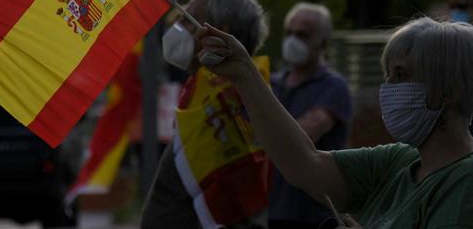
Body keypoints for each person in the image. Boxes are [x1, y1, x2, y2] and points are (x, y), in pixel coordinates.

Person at [197, 16, 473, 228]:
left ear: (448, 91)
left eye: (401, 75)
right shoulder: (400, 161)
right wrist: (244, 72)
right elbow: (306, 164)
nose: (388, 88)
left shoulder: (464, 181)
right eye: (388, 75)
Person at [141, 0, 270, 229]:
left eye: (188, 19)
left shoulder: (233, 107)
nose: (174, 24)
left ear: (218, 35)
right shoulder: (204, 98)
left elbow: (236, 211)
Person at [268, 3, 352, 229]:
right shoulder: (271, 83)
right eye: (290, 33)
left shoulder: (334, 87)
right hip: (270, 209)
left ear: (322, 42)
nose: (293, 40)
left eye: (302, 35)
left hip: (314, 213)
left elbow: (299, 138)